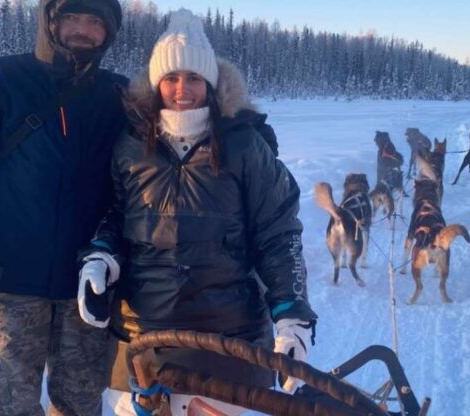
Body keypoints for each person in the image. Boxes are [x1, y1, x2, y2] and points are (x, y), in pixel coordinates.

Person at [75, 9, 318, 416]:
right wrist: (100, 257)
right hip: (142, 338)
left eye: (193, 78)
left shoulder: (245, 146)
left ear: (210, 84)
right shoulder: (131, 144)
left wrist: (292, 312)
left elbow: (278, 233)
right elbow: (115, 214)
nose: (181, 89)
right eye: (171, 78)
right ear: (156, 83)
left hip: (228, 341)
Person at [0, 0, 127, 414]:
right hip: (10, 287)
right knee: (5, 407)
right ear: (50, 21)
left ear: (109, 32)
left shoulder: (119, 95)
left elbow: (179, 125)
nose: (83, 30)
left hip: (86, 289)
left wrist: (244, 130)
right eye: (72, 18)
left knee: (80, 406)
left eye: (95, 21)